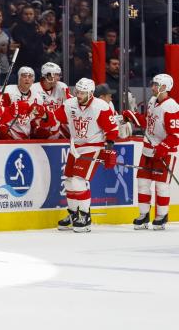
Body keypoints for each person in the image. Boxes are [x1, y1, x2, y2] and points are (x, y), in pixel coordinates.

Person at [53, 78, 118, 232]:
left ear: (90, 93)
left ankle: (85, 216)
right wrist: (45, 114)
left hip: (93, 147)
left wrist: (108, 148)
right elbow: (58, 117)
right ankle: (74, 214)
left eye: (83, 93)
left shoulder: (101, 106)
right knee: (69, 181)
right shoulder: (70, 104)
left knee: (78, 181)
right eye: (78, 92)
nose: (79, 95)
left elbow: (111, 129)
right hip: (75, 147)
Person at [123, 74, 179, 230]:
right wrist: (134, 117)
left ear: (164, 87)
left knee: (161, 185)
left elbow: (175, 135)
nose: (152, 87)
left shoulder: (171, 106)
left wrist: (164, 147)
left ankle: (161, 215)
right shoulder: (153, 101)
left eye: (156, 85)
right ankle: (144, 214)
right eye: (153, 84)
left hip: (164, 152)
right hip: (148, 149)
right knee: (143, 183)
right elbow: (147, 123)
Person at [0, 67, 47, 140]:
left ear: (33, 80)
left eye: (30, 76)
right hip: (8, 133)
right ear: (19, 78)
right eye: (24, 76)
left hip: (26, 137)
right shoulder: (8, 91)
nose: (27, 79)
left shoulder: (38, 98)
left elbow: (36, 120)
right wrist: (12, 110)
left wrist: (37, 128)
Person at [30, 62, 72, 139]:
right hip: (42, 123)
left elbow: (71, 105)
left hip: (58, 124)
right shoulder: (33, 89)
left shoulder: (62, 87)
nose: (59, 78)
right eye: (57, 75)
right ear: (49, 76)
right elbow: (33, 114)